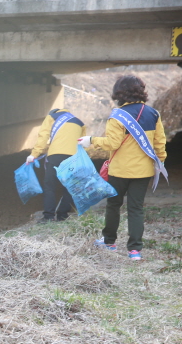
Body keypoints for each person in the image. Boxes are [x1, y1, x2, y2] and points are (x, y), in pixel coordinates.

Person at [79, 75, 168, 261]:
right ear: (141, 91)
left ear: (119, 93)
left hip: (119, 171)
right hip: (143, 171)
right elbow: (160, 143)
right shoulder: (153, 114)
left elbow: (113, 143)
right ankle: (135, 250)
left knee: (113, 205)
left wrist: (91, 140)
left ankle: (109, 242)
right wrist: (160, 161)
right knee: (136, 208)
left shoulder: (117, 116)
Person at [27, 107, 86, 222]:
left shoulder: (51, 117)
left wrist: (34, 154)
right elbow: (83, 143)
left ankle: (48, 216)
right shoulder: (79, 122)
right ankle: (62, 215)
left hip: (55, 155)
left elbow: (43, 137)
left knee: (50, 186)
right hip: (73, 157)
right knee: (69, 187)